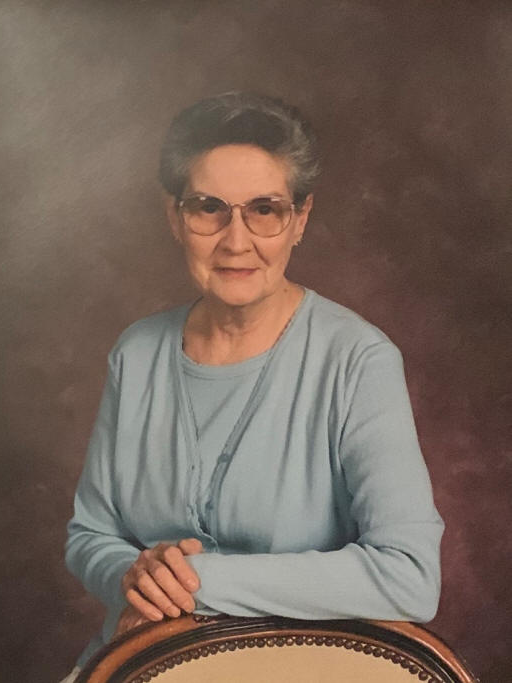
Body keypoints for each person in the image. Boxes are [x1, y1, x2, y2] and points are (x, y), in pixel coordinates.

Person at [62, 92, 444, 682]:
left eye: (265, 209)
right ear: (175, 218)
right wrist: (135, 577)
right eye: (208, 208)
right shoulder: (135, 354)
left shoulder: (358, 361)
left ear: (300, 219)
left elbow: (409, 575)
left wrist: (196, 583)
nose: (236, 241)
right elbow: (90, 534)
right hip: (145, 662)